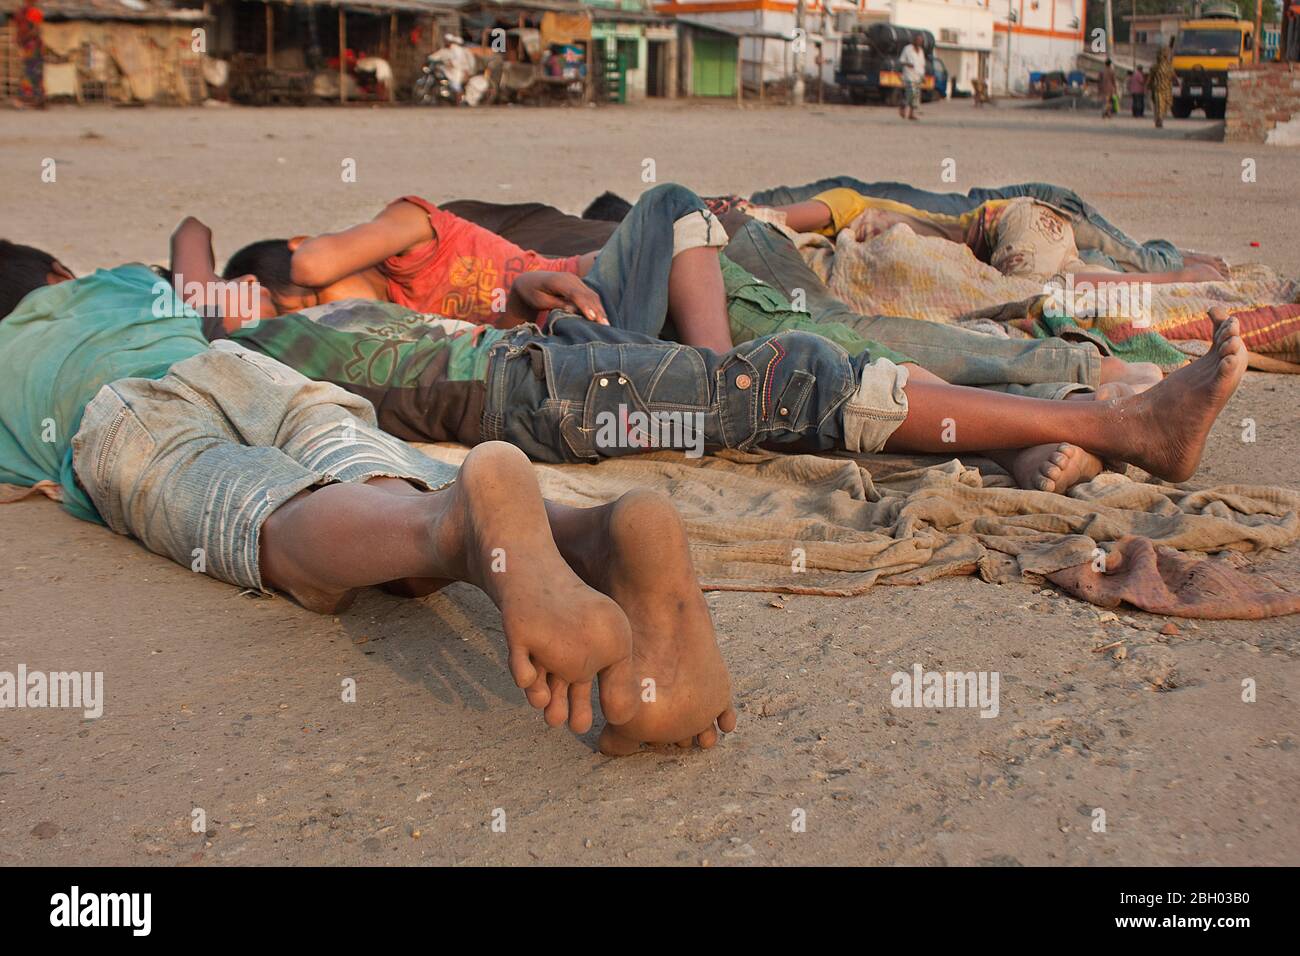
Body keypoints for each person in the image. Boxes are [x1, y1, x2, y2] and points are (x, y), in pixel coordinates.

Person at [0, 241, 737, 756]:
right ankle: (590, 536)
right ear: (62, 272)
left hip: (124, 412)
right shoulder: (128, 285)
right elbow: (196, 266)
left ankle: (451, 529)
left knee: (266, 513)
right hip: (242, 368)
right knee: (373, 472)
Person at [161, 223, 1247, 498]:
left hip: (548, 363)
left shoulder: (347, 315)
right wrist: (211, 274)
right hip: (537, 400)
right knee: (790, 380)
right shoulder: (247, 337)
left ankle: (1031, 430)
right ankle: (1123, 427)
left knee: (781, 391)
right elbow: (196, 258)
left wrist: (524, 295)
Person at [223, 184, 735, 352]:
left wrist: (530, 282)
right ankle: (714, 382)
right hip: (566, 335)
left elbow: (312, 263)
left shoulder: (409, 228)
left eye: (313, 299)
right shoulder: (395, 330)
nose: (334, 312)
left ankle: (715, 371)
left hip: (598, 287)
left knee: (670, 201)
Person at [775, 188, 1225, 286]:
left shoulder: (846, 205)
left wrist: (746, 214)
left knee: (1038, 292)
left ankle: (1183, 273)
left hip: (1010, 222)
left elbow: (773, 217)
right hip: (1018, 232)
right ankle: (1186, 271)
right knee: (1098, 270)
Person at [13, 0, 45, 110]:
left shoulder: (21, 12)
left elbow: (22, 31)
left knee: (30, 72)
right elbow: (36, 30)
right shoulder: (33, 12)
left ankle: (32, 100)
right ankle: (30, 99)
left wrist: (21, 41)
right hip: (32, 47)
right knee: (33, 73)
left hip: (28, 47)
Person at [899, 34, 926, 121]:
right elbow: (901, 60)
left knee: (916, 96)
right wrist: (908, 64)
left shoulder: (921, 51)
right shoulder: (907, 49)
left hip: (918, 76)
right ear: (914, 40)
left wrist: (923, 76)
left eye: (920, 41)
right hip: (909, 75)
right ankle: (902, 107)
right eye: (917, 40)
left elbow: (922, 64)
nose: (919, 42)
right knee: (910, 94)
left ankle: (911, 114)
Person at [1150, 38, 1174, 129]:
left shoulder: (1169, 67)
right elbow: (1150, 78)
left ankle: (1160, 118)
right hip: (1158, 89)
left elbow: (1173, 76)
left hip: (1166, 89)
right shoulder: (1155, 67)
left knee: (1165, 105)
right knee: (1159, 105)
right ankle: (1159, 119)